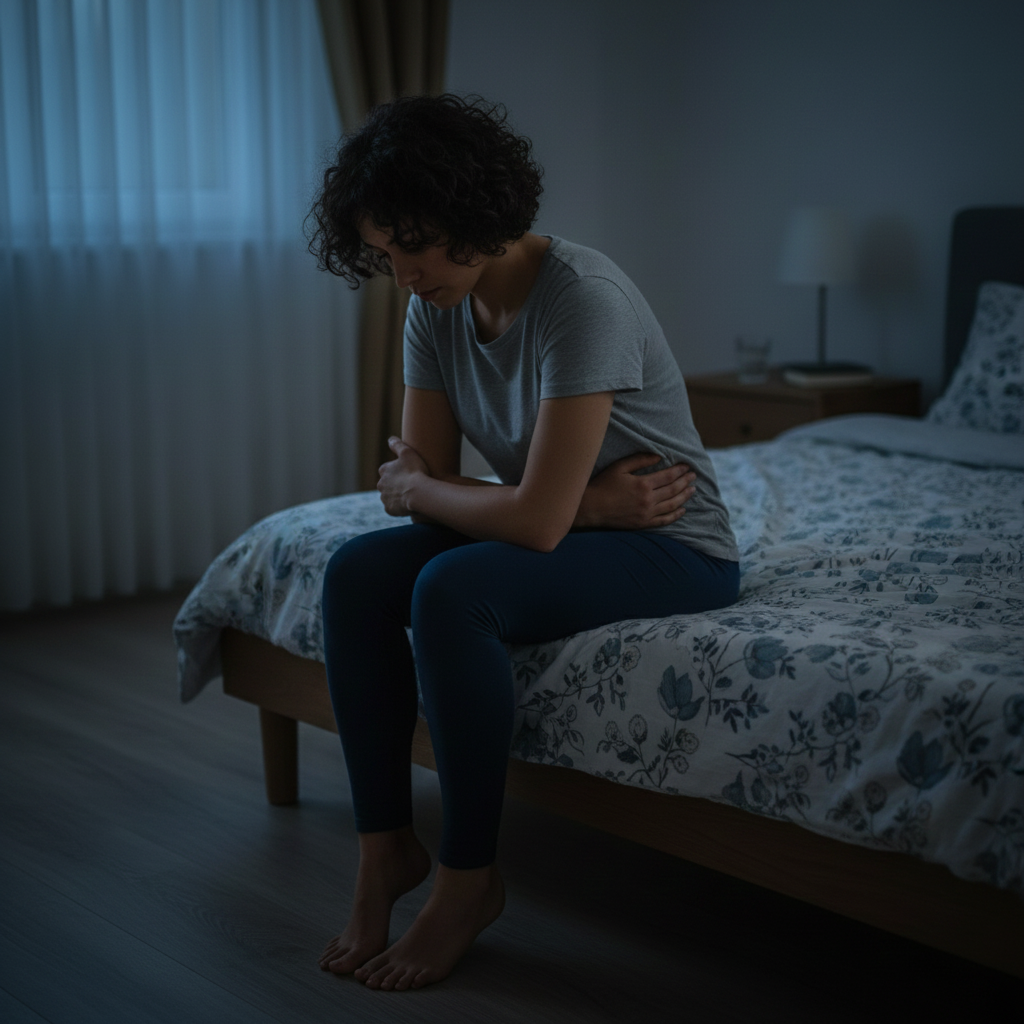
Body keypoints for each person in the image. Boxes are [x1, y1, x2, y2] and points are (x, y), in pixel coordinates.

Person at [306, 94, 739, 991]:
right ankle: (384, 850)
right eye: (386, 254)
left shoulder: (584, 300)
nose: (405, 275)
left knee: (451, 591)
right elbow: (432, 502)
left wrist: (477, 496)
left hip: (675, 544)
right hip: (604, 521)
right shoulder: (434, 304)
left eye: (417, 247)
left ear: (476, 214)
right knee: (354, 573)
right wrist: (585, 507)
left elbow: (460, 499)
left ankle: (469, 880)